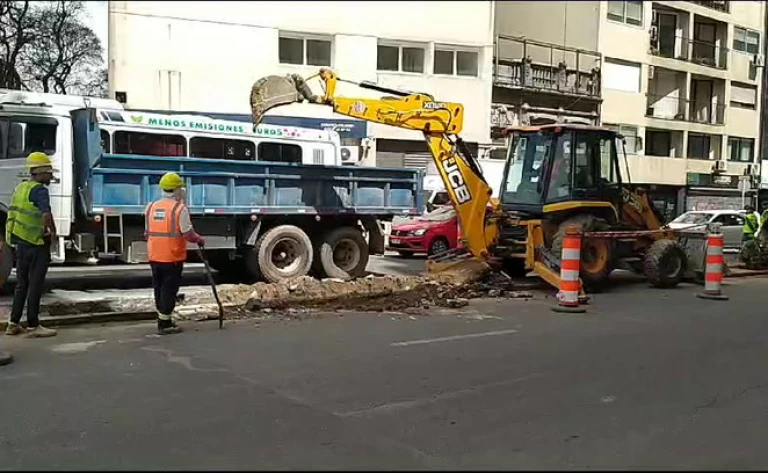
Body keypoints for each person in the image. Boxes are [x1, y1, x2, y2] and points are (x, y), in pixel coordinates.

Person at [5, 153, 58, 338]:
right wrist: (53, 231)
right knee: (35, 284)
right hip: (36, 243)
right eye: (49, 172)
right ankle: (33, 325)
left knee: (22, 284)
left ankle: (13, 323)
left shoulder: (21, 188)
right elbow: (45, 214)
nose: (51, 177)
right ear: (40, 172)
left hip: (20, 241)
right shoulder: (40, 190)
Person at [145, 172, 205, 335]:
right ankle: (164, 324)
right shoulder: (180, 209)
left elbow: (146, 232)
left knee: (159, 288)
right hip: (172, 256)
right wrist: (199, 240)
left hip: (154, 255)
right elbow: (188, 233)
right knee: (169, 290)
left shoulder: (151, 207)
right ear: (178, 189)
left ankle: (163, 318)